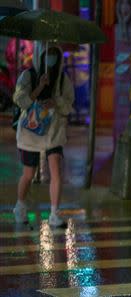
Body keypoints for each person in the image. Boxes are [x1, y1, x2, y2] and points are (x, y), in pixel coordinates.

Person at [12, 45, 74, 228]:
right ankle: (20, 206)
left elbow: (69, 105)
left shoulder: (63, 80)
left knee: (56, 172)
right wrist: (39, 88)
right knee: (28, 174)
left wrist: (56, 102)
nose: (51, 60)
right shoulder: (28, 75)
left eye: (55, 56)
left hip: (54, 133)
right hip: (30, 134)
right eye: (48, 55)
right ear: (41, 56)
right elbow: (20, 99)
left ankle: (55, 213)